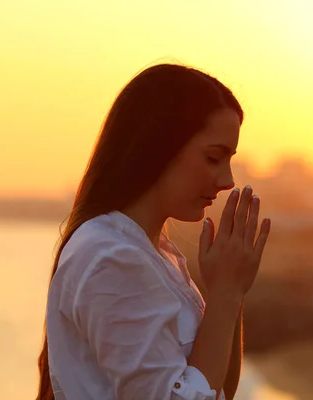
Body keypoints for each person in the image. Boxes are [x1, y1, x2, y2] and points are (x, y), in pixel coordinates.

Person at [36, 63, 272, 400]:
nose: (227, 180)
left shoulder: (156, 254)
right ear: (157, 146)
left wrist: (231, 292)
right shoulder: (111, 257)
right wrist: (224, 292)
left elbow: (217, 390)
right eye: (213, 158)